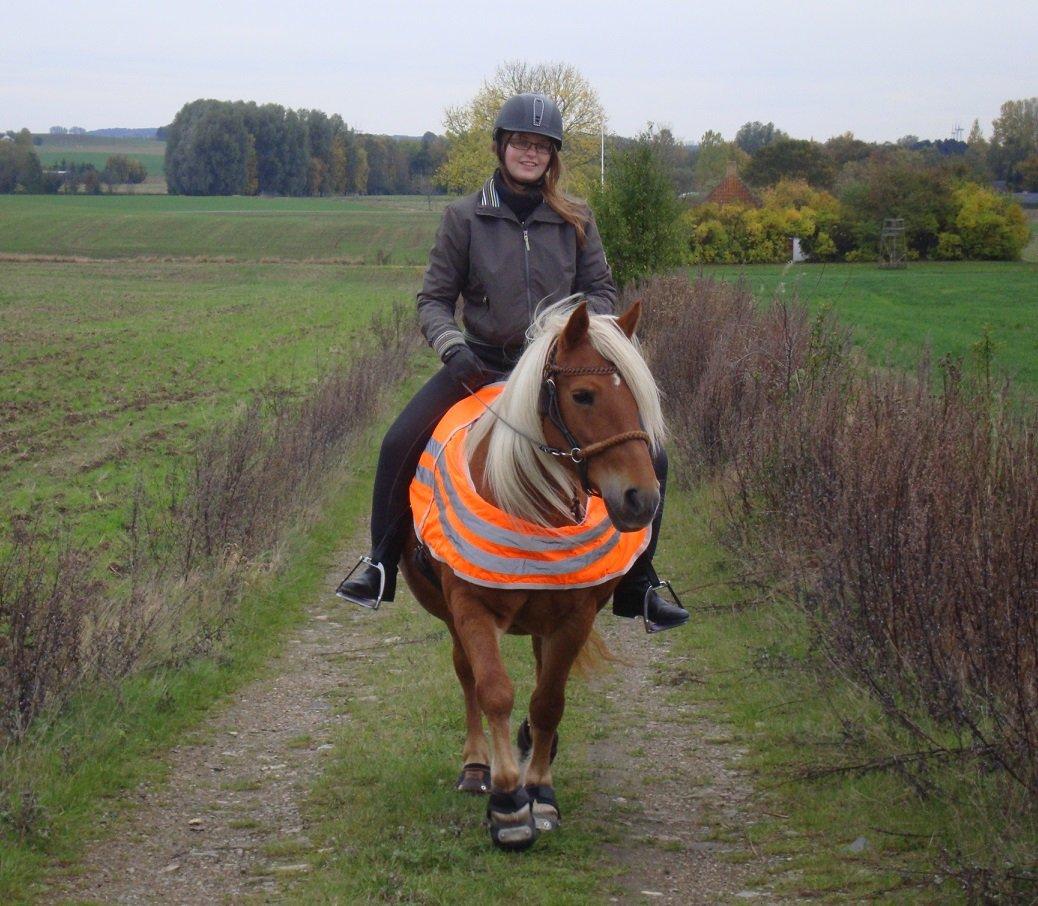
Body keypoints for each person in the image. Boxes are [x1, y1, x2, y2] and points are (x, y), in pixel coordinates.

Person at [336, 92, 688, 632]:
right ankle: (380, 561)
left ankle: (640, 581)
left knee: (652, 453)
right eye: (522, 142)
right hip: (481, 364)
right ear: (502, 147)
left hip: (558, 372)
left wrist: (579, 338)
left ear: (553, 155)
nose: (531, 153)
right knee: (398, 440)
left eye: (542, 146)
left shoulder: (576, 219)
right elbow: (433, 299)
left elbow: (599, 291)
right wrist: (452, 348)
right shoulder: (464, 217)